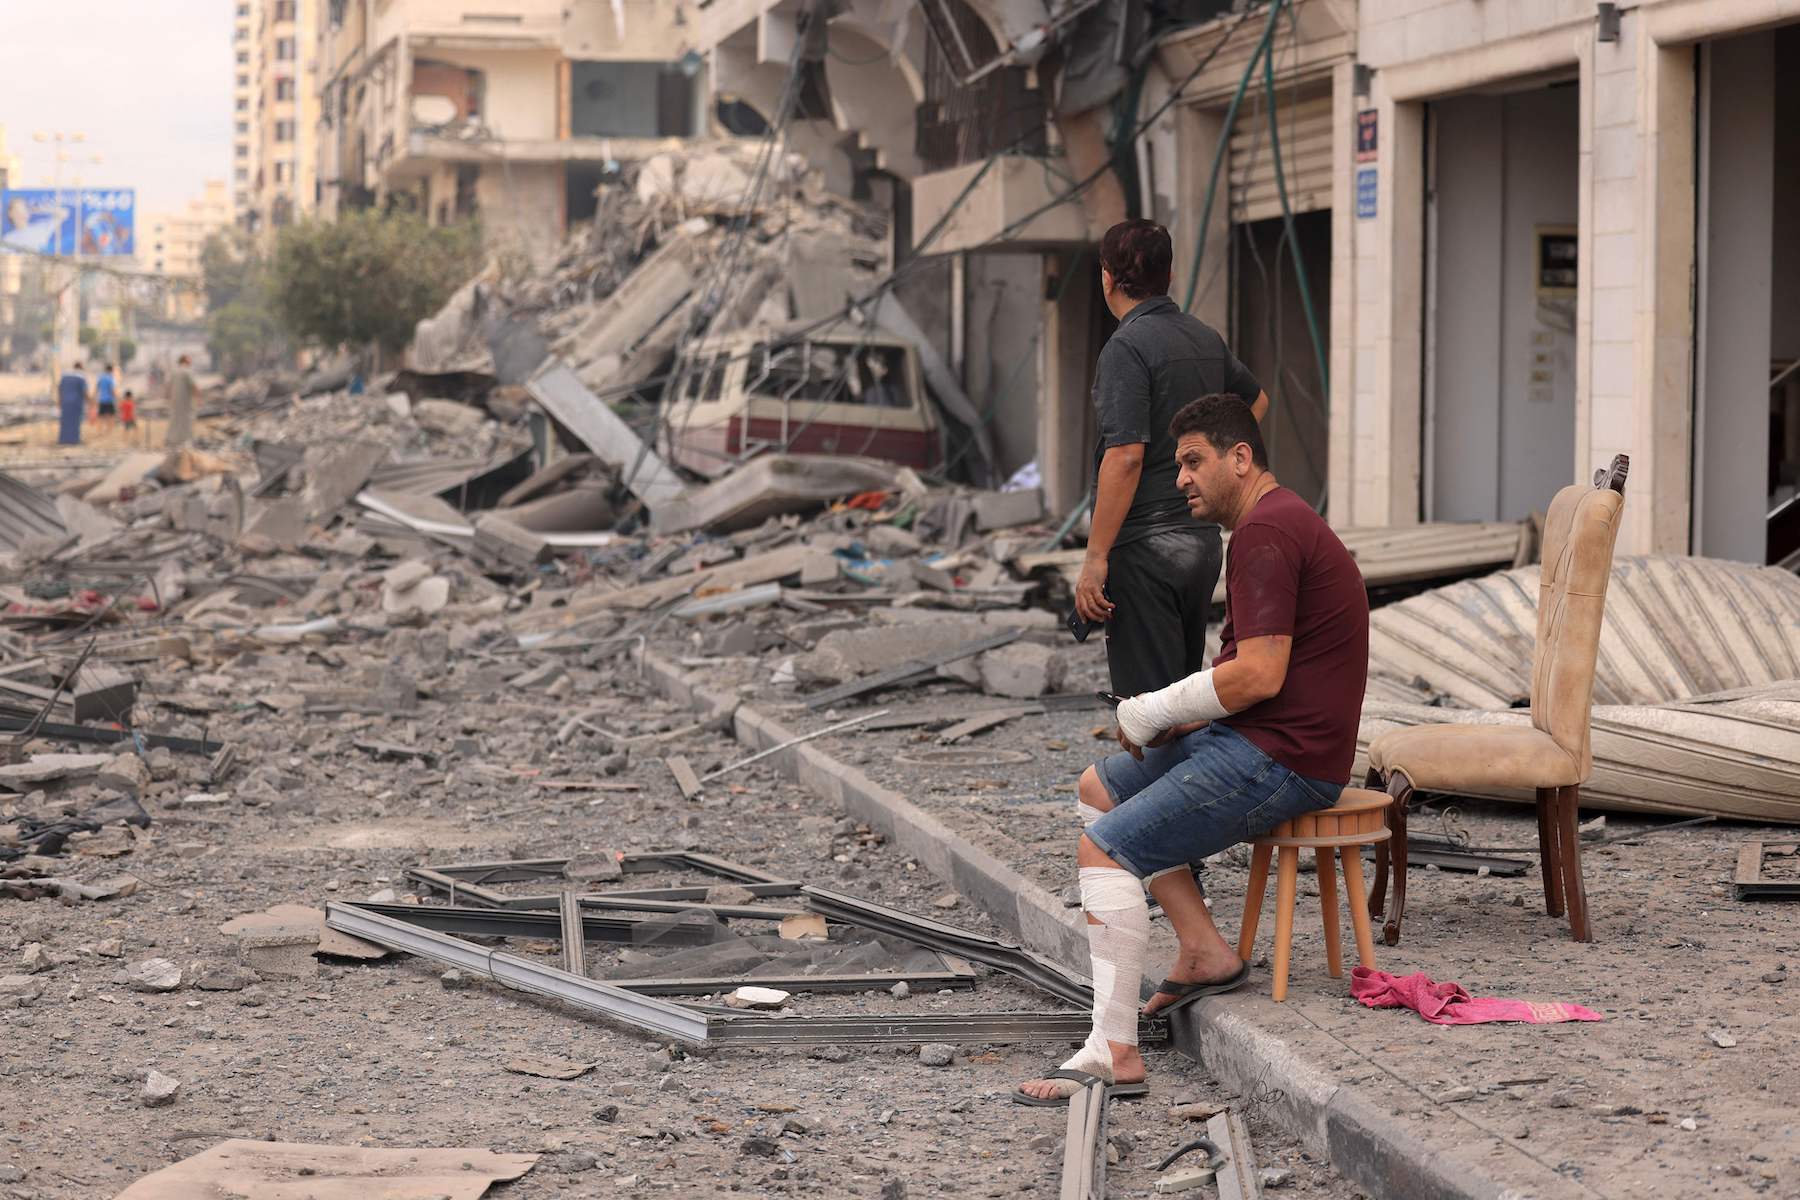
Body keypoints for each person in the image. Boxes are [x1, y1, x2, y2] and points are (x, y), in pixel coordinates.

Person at [1017, 395, 1370, 1106]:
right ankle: (1204, 950)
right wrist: (1179, 719)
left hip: (1284, 759)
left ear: (1241, 458)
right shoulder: (1272, 523)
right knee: (1098, 787)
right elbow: (1257, 674)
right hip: (1262, 736)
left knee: (1105, 851)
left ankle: (1111, 1050)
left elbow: (1261, 675)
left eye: (1192, 461)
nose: (1180, 479)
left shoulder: (1267, 533)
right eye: (1178, 464)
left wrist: (1153, 708)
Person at [1076, 220, 1269, 698]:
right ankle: (1181, 772)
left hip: (1144, 549)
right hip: (1200, 544)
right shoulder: (1203, 337)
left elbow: (1124, 456)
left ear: (1107, 276)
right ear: (1170, 275)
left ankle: (1153, 776)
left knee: (1147, 709)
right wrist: (1217, 469)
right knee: (1179, 700)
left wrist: (1096, 558)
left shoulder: (1125, 348)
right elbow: (1256, 402)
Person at [56, 360, 88, 446]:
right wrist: (90, 401)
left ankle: (63, 440)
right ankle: (74, 440)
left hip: (65, 402)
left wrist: (59, 401)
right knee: (75, 422)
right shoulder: (81, 377)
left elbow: (59, 389)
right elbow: (84, 392)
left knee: (65, 422)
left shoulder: (65, 376)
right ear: (81, 367)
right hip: (76, 402)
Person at [167, 354, 195, 447]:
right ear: (184, 360)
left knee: (175, 420)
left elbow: (168, 386)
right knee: (186, 421)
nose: (190, 361)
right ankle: (185, 442)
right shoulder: (186, 371)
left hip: (175, 401)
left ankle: (172, 440)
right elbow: (193, 386)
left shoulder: (174, 371)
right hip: (185, 402)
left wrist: (169, 398)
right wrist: (199, 398)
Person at [95, 363, 119, 428]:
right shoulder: (111, 378)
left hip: (102, 399)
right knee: (111, 415)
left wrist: (94, 397)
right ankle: (109, 430)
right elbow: (112, 389)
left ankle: (99, 429)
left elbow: (97, 388)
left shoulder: (100, 377)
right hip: (109, 400)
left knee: (101, 416)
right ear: (111, 370)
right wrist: (117, 397)